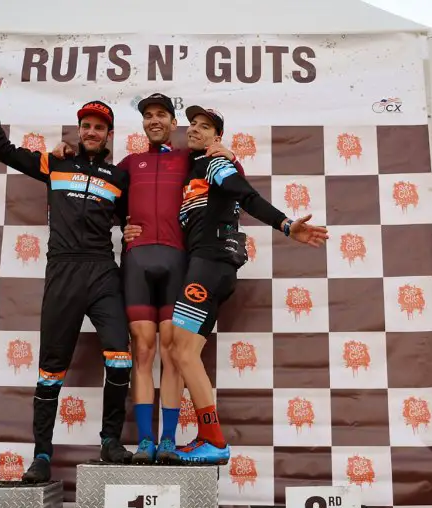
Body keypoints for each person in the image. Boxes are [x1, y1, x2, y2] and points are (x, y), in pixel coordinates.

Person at [123, 106, 329, 465]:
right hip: (205, 267)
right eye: (193, 125)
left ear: (217, 138)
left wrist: (285, 225)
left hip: (210, 266)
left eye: (205, 127)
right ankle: (207, 437)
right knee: (181, 353)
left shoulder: (215, 163)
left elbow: (245, 194)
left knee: (181, 353)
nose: (196, 130)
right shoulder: (192, 167)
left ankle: (215, 440)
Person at [52, 94, 242, 465]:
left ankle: (168, 440)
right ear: (143, 124)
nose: (154, 121)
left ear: (174, 124)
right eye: (148, 116)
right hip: (137, 263)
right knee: (141, 350)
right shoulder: (127, 165)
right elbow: (93, 192)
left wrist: (230, 155)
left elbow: (233, 186)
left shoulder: (191, 158)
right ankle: (144, 441)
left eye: (161, 115)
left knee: (173, 352)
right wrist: (65, 154)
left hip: (179, 264)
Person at [0, 65, 134, 483]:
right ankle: (42, 455)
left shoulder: (120, 177)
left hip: (103, 272)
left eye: (100, 126)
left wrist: (133, 228)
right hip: (63, 271)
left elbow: (132, 216)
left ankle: (111, 441)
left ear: (109, 134)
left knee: (120, 362)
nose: (92, 131)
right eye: (86, 125)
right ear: (78, 129)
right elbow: (1, 150)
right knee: (51, 369)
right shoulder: (54, 164)